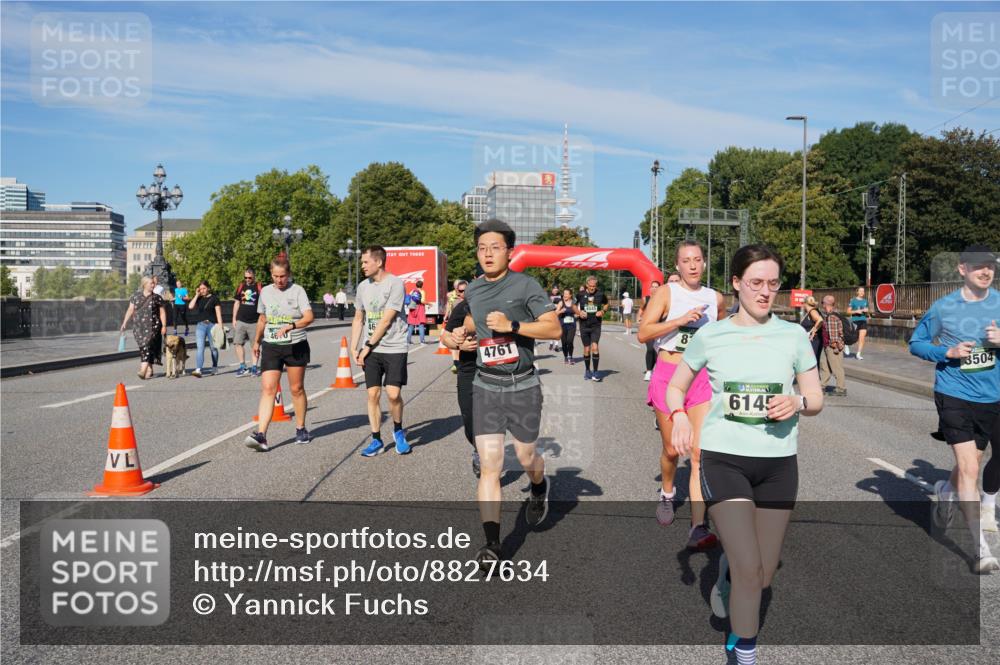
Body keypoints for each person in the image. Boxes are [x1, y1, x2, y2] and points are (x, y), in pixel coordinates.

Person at [667, 244, 824, 665]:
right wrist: (680, 416)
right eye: (756, 282)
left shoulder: (792, 335)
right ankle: (743, 652)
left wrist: (797, 402)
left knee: (763, 573)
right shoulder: (711, 334)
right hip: (724, 460)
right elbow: (675, 386)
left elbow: (815, 396)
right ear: (736, 283)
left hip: (777, 465)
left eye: (773, 284)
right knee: (751, 568)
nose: (765, 292)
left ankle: (728, 576)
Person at [456, 218, 560, 569]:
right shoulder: (472, 289)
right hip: (486, 385)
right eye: (482, 248)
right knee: (490, 465)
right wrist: (458, 335)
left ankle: (539, 484)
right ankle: (492, 544)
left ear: (510, 252)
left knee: (527, 456)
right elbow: (470, 320)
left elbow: (554, 328)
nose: (487, 254)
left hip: (524, 385)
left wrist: (513, 326)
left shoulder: (526, 284)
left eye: (495, 248)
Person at [910, 244, 1000, 573]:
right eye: (978, 266)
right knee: (970, 469)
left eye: (990, 265)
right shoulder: (944, 308)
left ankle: (945, 490)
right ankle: (979, 549)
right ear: (962, 269)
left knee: (970, 465)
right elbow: (916, 344)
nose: (985, 271)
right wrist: (947, 354)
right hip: (954, 395)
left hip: (990, 398)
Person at [638, 241, 726, 550]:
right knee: (673, 450)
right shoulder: (667, 293)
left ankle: (698, 527)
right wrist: (678, 321)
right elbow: (643, 333)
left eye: (697, 259)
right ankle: (667, 492)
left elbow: (723, 333)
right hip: (668, 374)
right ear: (677, 266)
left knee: (699, 452)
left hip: (700, 379)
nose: (692, 265)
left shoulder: (715, 299)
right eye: (686, 260)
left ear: (704, 263)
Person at [244, 255, 315, 451]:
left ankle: (301, 428)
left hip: (295, 344)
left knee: (296, 389)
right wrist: (257, 342)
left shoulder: (298, 291)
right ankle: (261, 435)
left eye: (282, 276)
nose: (279, 280)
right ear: (271, 274)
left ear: (289, 274)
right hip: (272, 345)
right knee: (268, 388)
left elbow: (309, 316)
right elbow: (262, 319)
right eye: (275, 276)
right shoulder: (265, 292)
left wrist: (292, 325)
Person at [352, 246, 412, 457]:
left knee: (393, 394)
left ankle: (398, 430)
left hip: (394, 346)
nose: (362, 266)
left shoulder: (395, 284)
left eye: (365, 262)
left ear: (378, 262)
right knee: (372, 394)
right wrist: (354, 346)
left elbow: (387, 319)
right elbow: (359, 318)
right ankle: (376, 439)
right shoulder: (362, 287)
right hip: (372, 350)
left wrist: (366, 346)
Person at [441, 281, 481, 476]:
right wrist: (459, 345)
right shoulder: (463, 308)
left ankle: (488, 452)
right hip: (469, 369)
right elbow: (445, 337)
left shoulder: (506, 304)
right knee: (469, 417)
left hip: (499, 369)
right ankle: (479, 448)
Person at [120, 275, 167, 380]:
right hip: (138, 327)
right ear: (144, 284)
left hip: (153, 326)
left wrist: (164, 325)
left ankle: (143, 370)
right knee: (144, 347)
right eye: (151, 283)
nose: (153, 285)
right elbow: (130, 309)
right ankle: (149, 368)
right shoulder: (135, 296)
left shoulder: (157, 297)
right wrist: (125, 322)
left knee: (147, 344)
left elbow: (162, 313)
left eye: (154, 283)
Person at [574, 276, 609, 381]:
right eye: (591, 286)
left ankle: (596, 372)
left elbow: (607, 304)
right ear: (587, 285)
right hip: (584, 326)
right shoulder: (580, 294)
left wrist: (602, 311)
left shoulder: (600, 294)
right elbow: (573, 305)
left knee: (595, 347)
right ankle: (587, 370)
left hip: (596, 325)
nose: (593, 288)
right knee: (586, 349)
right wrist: (579, 312)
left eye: (594, 286)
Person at [188, 281, 223, 378]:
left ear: (208, 288)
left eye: (204, 288)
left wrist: (221, 327)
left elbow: (218, 313)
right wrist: (196, 295)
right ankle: (198, 369)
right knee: (200, 348)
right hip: (200, 325)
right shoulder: (199, 299)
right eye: (201, 289)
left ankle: (215, 366)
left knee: (213, 348)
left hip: (212, 325)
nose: (202, 290)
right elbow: (190, 306)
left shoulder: (215, 299)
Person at [232, 268, 262, 377]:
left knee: (255, 345)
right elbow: (236, 303)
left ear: (254, 276)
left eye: (249, 277)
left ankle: (254, 367)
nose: (247, 279)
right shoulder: (241, 286)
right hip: (241, 320)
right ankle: (243, 366)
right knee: (237, 343)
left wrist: (263, 320)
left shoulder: (259, 287)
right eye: (245, 277)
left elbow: (264, 303)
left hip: (255, 322)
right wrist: (234, 319)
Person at [818, 295, 847, 396]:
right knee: (824, 366)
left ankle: (841, 388)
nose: (822, 305)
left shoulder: (832, 317)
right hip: (827, 346)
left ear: (826, 304)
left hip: (832, 347)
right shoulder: (830, 315)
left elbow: (834, 336)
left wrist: (834, 348)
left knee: (836, 368)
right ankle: (822, 386)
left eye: (822, 303)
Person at [638, 280, 661, 381]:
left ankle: (657, 371)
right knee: (650, 348)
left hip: (660, 328)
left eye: (656, 287)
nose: (654, 289)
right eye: (653, 287)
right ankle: (648, 371)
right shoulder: (646, 299)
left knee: (658, 351)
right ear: (650, 288)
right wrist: (639, 317)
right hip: (648, 328)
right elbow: (641, 309)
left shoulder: (663, 299)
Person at [446, 280, 468, 374]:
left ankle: (461, 362)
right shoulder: (450, 295)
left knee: (462, 341)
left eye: (464, 290)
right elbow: (448, 305)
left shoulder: (471, 299)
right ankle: (456, 363)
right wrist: (446, 315)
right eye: (459, 290)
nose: (460, 292)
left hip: (465, 321)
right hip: (455, 320)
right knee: (455, 341)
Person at [799, 295, 824, 365]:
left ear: (805, 303)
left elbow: (820, 320)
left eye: (802, 303)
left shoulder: (812, 311)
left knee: (812, 362)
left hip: (814, 341)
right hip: (812, 341)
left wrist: (813, 331)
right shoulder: (811, 311)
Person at [556, 288, 577, 364]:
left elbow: (577, 312)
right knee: (564, 342)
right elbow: (556, 313)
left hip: (572, 325)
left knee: (570, 341)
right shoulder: (561, 303)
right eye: (564, 294)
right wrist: (561, 311)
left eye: (566, 294)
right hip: (562, 326)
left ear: (570, 295)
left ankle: (570, 357)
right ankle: (565, 357)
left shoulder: (574, 303)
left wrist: (576, 315)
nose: (565, 295)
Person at [848, 287, 870, 359]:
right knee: (853, 337)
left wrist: (867, 311)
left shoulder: (865, 301)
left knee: (862, 337)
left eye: (863, 291)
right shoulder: (853, 300)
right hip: (855, 320)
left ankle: (858, 354)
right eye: (860, 291)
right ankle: (846, 344)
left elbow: (867, 311)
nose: (862, 292)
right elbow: (848, 311)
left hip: (863, 320)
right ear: (857, 292)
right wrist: (856, 311)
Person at [406, 279, 428, 345]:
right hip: (420, 308)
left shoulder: (412, 291)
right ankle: (422, 341)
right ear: (422, 285)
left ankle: (408, 341)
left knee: (411, 325)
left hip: (412, 308)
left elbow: (409, 298)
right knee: (421, 325)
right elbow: (422, 301)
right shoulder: (422, 291)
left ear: (416, 285)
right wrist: (429, 304)